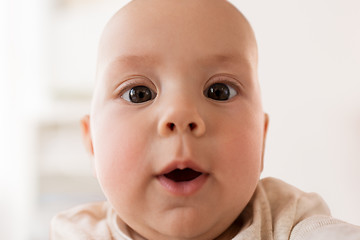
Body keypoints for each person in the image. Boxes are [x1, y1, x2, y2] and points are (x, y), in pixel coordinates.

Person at [51, 0, 360, 239]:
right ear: (92, 144)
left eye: (219, 91)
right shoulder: (78, 233)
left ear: (262, 140)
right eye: (139, 94)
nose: (181, 115)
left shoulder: (290, 222)